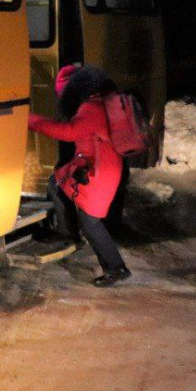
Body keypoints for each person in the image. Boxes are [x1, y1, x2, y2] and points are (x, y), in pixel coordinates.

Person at [29, 64, 131, 287]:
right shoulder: (100, 100)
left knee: (91, 221)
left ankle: (116, 268)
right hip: (96, 165)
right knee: (57, 182)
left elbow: (69, 132)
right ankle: (67, 234)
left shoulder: (91, 107)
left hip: (100, 171)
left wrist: (36, 122)